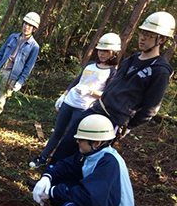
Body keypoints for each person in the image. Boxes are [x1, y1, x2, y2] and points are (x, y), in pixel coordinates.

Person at [49, 11, 176, 164]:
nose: (142, 37)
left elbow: (151, 108)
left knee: (86, 156)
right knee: (69, 142)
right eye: (142, 32)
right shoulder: (131, 60)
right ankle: (49, 178)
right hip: (96, 109)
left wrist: (129, 125)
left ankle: (65, 187)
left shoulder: (160, 70)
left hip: (113, 120)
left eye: (149, 35)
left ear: (161, 39)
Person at [29, 33, 121, 168]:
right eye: (100, 50)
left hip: (84, 107)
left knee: (71, 138)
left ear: (114, 53)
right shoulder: (90, 65)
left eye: (106, 51)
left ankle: (58, 164)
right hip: (70, 102)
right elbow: (77, 81)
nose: (101, 53)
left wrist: (91, 92)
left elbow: (107, 94)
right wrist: (64, 95)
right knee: (58, 132)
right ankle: (43, 157)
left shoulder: (112, 72)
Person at [33, 114, 135, 206]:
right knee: (59, 184)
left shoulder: (109, 163)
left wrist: (53, 191)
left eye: (81, 139)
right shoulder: (91, 154)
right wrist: (47, 177)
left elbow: (88, 198)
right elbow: (65, 166)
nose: (77, 141)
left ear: (96, 143)